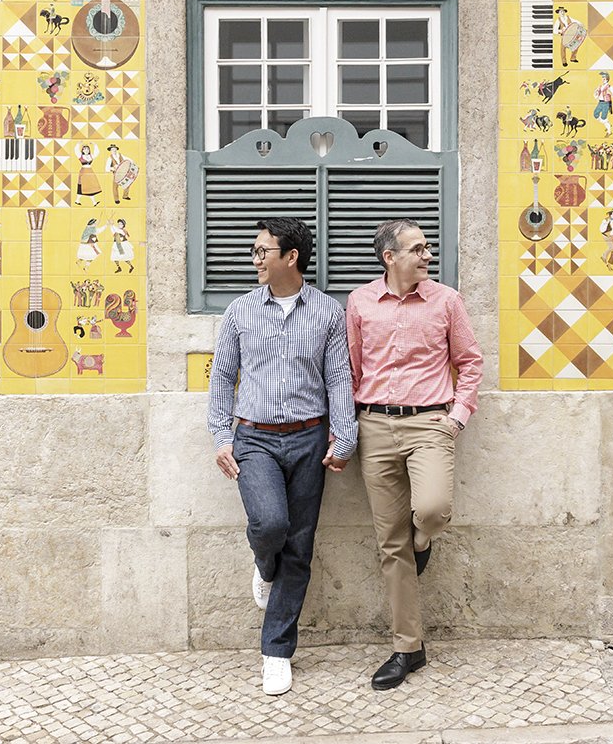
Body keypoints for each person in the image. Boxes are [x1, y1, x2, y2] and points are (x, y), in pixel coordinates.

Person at [207, 217, 355, 697]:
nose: (254, 260)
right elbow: (222, 377)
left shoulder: (329, 314)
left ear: (290, 257)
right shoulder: (240, 312)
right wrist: (220, 436)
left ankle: (275, 652)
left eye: (261, 251)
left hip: (310, 439)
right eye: (254, 251)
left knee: (300, 546)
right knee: (270, 526)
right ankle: (263, 564)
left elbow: (338, 379)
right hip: (254, 439)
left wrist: (345, 436)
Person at [346, 218, 483, 691]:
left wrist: (456, 416)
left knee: (432, 510)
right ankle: (408, 647)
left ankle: (423, 542)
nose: (428, 255)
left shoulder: (447, 301)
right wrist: (350, 428)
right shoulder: (360, 302)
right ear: (390, 257)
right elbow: (352, 366)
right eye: (418, 249)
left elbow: (469, 362)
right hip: (375, 424)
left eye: (427, 247)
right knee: (390, 544)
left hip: (430, 422)